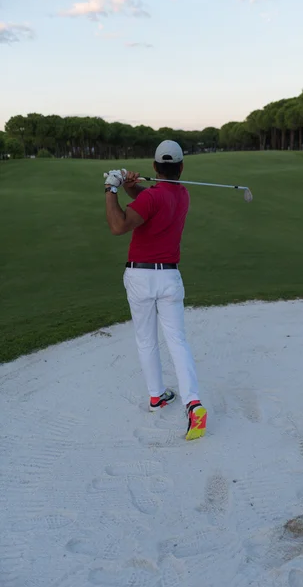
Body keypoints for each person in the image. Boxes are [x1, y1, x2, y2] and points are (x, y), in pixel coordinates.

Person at [104, 140, 207, 441]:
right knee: (177, 340)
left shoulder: (152, 199)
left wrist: (111, 188)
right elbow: (148, 203)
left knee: (146, 338)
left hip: (140, 276)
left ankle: (156, 396)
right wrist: (129, 186)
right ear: (182, 167)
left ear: (154, 167)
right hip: (169, 277)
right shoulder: (182, 194)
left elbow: (119, 225)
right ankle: (193, 403)